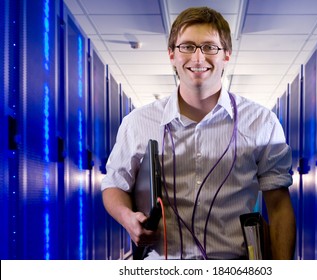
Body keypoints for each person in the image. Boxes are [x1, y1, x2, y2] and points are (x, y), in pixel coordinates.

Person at [101, 6, 296, 260]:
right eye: (187, 46)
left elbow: (279, 205)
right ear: (172, 54)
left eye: (209, 47)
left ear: (226, 55)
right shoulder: (138, 122)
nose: (198, 58)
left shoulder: (262, 122)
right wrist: (128, 219)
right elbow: (114, 185)